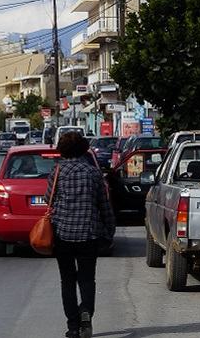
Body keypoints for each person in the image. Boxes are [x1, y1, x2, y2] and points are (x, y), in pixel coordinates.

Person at [46, 132, 116, 338]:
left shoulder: (58, 171)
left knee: (67, 281)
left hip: (63, 234)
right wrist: (109, 230)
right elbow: (104, 205)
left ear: (63, 149)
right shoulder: (93, 173)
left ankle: (73, 326)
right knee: (87, 279)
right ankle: (86, 311)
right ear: (84, 148)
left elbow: (48, 198)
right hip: (89, 234)